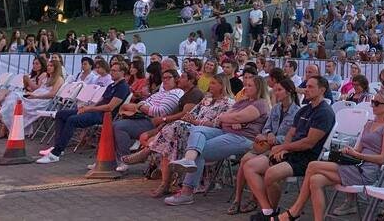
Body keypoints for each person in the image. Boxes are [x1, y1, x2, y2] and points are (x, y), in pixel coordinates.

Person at [277, 89, 384, 221]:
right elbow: (358, 149)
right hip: (356, 165)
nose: (373, 105)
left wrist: (358, 155)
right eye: (373, 102)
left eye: (377, 103)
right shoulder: (369, 124)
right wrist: (348, 151)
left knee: (312, 165)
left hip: (367, 171)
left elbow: (383, 159)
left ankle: (295, 211)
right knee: (315, 180)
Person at [164, 75, 271, 205]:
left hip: (243, 138)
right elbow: (223, 117)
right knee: (197, 129)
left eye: (249, 86)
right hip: (225, 131)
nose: (246, 88)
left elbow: (234, 117)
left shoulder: (260, 103)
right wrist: (231, 119)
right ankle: (188, 160)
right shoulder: (242, 101)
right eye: (246, 85)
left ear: (258, 88)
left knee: (200, 150)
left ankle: (187, 192)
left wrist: (231, 119)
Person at [241, 76, 335, 220]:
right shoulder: (305, 110)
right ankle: (268, 211)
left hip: (307, 158)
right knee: (249, 166)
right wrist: (284, 148)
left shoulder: (324, 112)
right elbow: (291, 132)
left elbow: (309, 143)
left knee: (270, 174)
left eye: (310, 87)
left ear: (322, 90)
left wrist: (284, 147)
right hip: (291, 152)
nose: (306, 90)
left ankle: (274, 211)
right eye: (306, 86)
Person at [123, 73, 233, 197]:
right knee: (171, 141)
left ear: (222, 86)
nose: (209, 85)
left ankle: (149, 153)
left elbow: (216, 124)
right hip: (189, 130)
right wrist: (192, 120)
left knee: (177, 127)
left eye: (213, 83)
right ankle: (164, 183)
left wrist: (195, 121)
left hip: (207, 134)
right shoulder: (206, 100)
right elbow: (189, 114)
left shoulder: (228, 103)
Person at [228, 78, 300, 214]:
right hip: (265, 145)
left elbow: (294, 137)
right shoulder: (276, 109)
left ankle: (255, 199)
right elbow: (266, 127)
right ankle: (237, 199)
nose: (276, 93)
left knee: (251, 163)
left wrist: (275, 138)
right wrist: (268, 133)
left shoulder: (297, 112)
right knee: (244, 160)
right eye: (275, 90)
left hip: (278, 148)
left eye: (279, 90)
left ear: (289, 92)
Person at [36, 62, 131, 164]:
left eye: (114, 71)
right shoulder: (112, 85)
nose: (111, 73)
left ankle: (55, 154)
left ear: (122, 72)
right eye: (111, 70)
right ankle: (58, 146)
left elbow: (110, 107)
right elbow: (100, 101)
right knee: (61, 114)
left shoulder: (123, 87)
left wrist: (89, 109)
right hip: (95, 111)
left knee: (72, 120)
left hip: (104, 116)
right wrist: (87, 107)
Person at [112, 70, 185, 170]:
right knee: (113, 124)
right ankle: (111, 160)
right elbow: (145, 102)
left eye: (169, 77)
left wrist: (141, 107)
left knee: (119, 126)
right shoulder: (162, 92)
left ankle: (123, 160)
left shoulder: (176, 93)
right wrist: (143, 107)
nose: (165, 80)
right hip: (143, 117)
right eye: (164, 78)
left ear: (176, 79)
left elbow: (160, 111)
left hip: (153, 122)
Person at [0, 60, 66, 138]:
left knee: (15, 98)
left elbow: (51, 95)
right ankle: (4, 124)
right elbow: (39, 89)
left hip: (42, 101)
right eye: (48, 65)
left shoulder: (59, 79)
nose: (48, 67)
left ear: (56, 68)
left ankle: (2, 120)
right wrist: (31, 93)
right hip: (35, 96)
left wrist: (35, 96)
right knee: (12, 97)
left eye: (51, 66)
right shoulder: (47, 78)